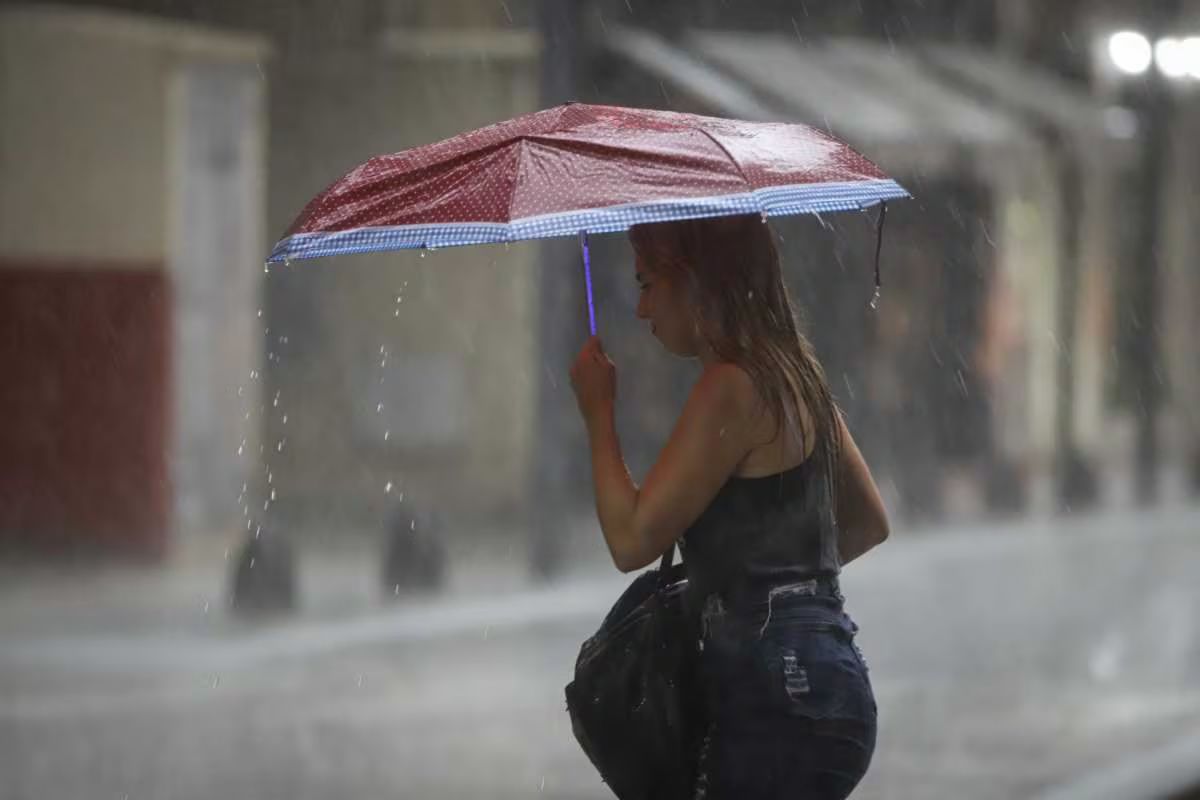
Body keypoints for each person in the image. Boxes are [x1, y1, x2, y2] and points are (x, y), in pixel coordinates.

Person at [569, 214, 890, 799]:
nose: (641, 309)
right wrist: (781, 585)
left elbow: (631, 539)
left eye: (647, 284)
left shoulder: (730, 388)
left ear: (695, 279)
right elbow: (868, 523)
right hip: (835, 682)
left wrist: (598, 415)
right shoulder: (798, 376)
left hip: (769, 693)